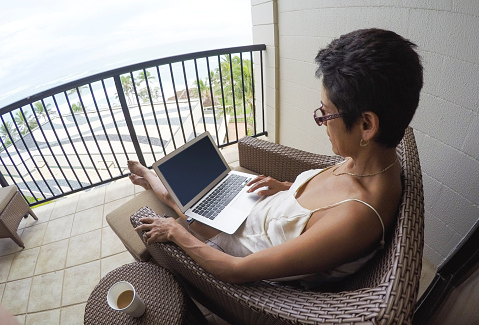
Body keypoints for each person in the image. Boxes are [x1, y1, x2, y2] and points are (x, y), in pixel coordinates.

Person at [130, 28, 423, 285]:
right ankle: (150, 177)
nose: (321, 120)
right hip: (267, 206)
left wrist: (175, 233)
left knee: (182, 204)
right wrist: (286, 188)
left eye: (325, 112)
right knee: (204, 192)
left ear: (367, 125)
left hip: (241, 240)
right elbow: (317, 212)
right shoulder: (370, 161)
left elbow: (235, 270)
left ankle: (147, 175)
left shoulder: (356, 219)